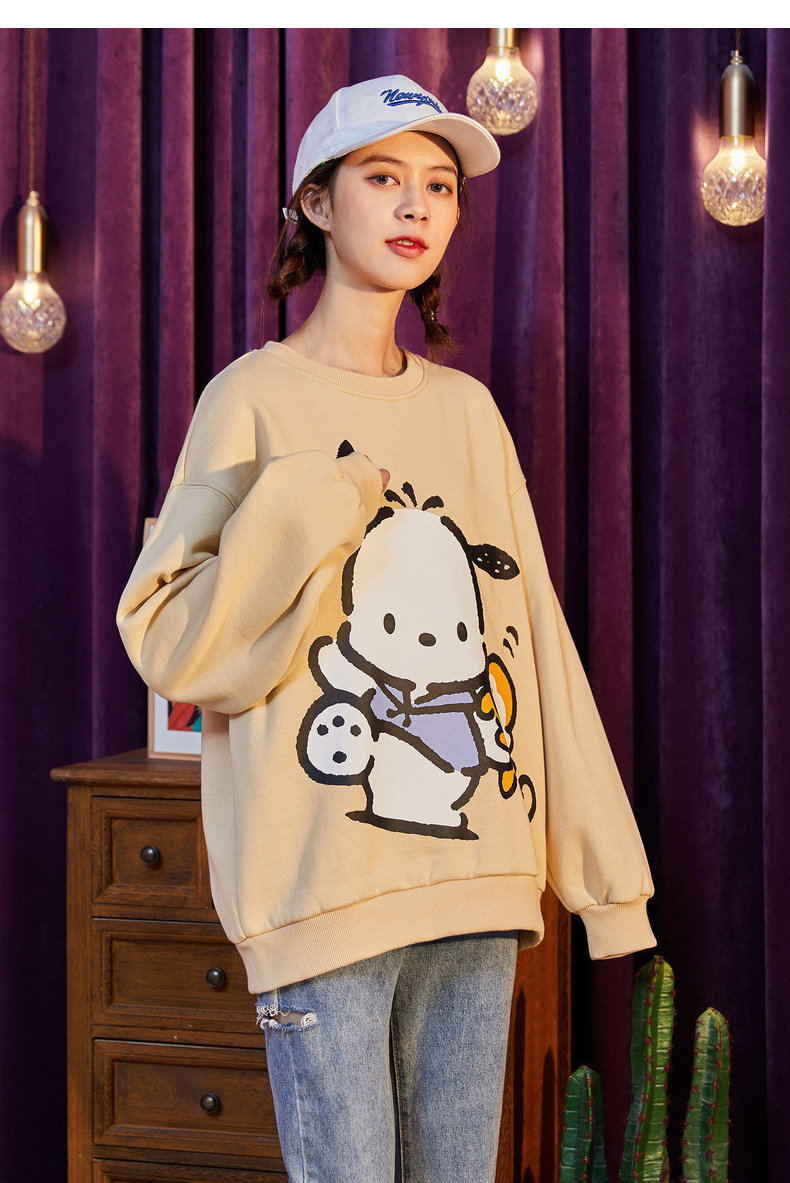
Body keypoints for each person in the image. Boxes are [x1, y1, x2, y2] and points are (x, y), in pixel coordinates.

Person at [117, 75, 655, 1183]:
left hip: (477, 884)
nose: (416, 205)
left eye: (439, 185)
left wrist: (607, 882)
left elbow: (533, 645)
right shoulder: (250, 399)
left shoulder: (466, 412)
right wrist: (311, 502)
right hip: (322, 891)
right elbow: (171, 642)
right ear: (316, 204)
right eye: (382, 177)